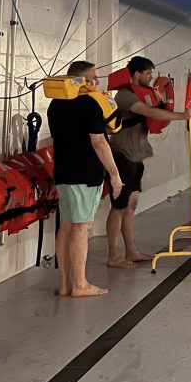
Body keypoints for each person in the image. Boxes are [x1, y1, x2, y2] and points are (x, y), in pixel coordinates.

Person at [106, 56, 191, 269]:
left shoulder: (144, 93)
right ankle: (113, 256)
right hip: (122, 155)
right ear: (136, 74)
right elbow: (147, 112)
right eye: (147, 73)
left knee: (131, 205)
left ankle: (132, 251)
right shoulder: (125, 95)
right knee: (118, 207)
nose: (151, 77)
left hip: (136, 155)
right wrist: (183, 116)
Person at [46, 61, 123, 298]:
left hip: (63, 172)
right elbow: (99, 142)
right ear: (81, 80)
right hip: (85, 173)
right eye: (93, 78)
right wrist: (115, 175)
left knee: (66, 227)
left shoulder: (55, 105)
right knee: (82, 228)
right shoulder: (90, 103)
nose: (96, 82)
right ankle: (80, 284)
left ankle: (65, 284)